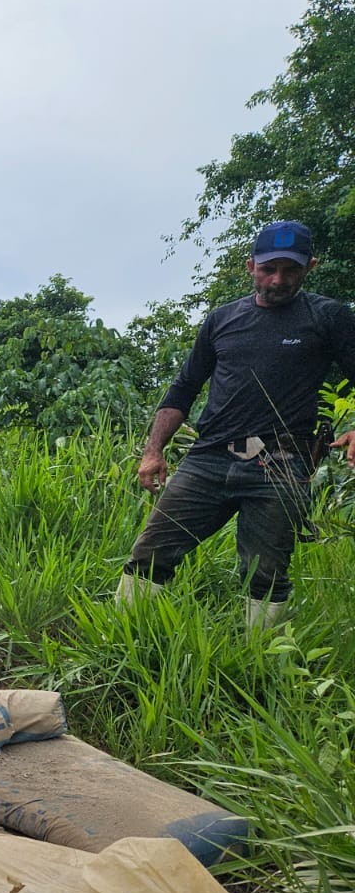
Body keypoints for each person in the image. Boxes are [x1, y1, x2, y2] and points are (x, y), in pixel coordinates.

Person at [118, 220, 355, 628]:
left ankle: (258, 663)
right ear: (250, 267)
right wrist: (153, 451)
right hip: (208, 458)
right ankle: (120, 637)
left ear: (310, 267)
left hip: (281, 463)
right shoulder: (222, 320)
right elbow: (183, 388)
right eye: (268, 269)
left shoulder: (328, 317)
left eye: (290, 269)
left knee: (265, 573)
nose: (278, 279)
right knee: (151, 551)